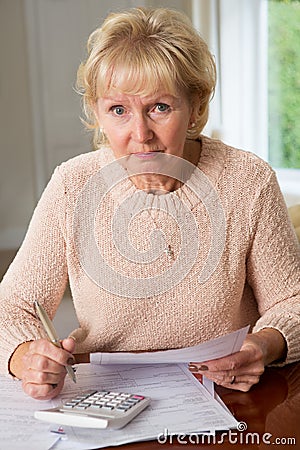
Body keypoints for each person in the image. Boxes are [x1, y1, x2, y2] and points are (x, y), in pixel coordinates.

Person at [0, 7, 299, 401]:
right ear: (98, 115)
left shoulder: (248, 181)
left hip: (226, 396)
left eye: (160, 107)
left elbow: (292, 302)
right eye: (118, 110)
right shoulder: (73, 185)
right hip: (107, 399)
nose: (141, 134)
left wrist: (263, 345)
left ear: (196, 107)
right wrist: (27, 357)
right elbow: (13, 307)